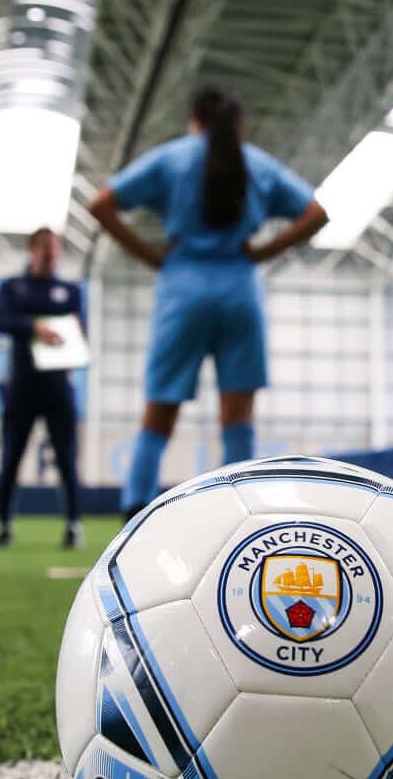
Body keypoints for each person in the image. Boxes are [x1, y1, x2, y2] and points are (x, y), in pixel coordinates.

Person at [89, 86, 328, 517]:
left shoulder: (171, 158)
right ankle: (240, 510)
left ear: (193, 119)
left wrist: (150, 255)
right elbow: (316, 214)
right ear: (237, 123)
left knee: (160, 409)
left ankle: (135, 506)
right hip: (240, 288)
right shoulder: (258, 163)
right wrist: (263, 252)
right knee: (237, 415)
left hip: (182, 286)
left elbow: (101, 204)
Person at [0, 227, 85, 549]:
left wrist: (74, 342)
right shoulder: (12, 288)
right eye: (46, 248)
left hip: (59, 387)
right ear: (32, 250)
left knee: (67, 459)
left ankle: (73, 525)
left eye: (55, 249)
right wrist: (34, 327)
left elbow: (78, 328)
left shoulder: (69, 290)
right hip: (22, 386)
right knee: (11, 457)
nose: (51, 254)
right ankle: (3, 524)